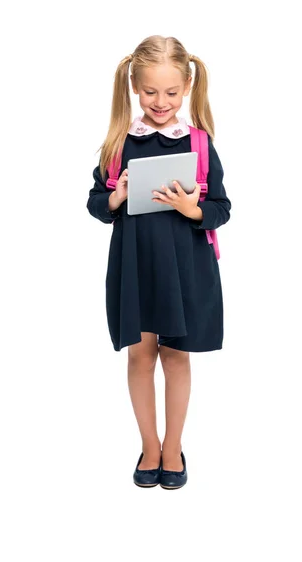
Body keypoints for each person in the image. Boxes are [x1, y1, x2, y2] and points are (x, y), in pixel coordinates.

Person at [86, 35, 232, 489]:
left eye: (171, 92)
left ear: (187, 85)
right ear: (134, 85)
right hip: (135, 268)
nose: (161, 102)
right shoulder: (119, 142)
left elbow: (222, 206)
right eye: (150, 92)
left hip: (186, 268)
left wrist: (193, 210)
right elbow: (94, 203)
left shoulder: (199, 143)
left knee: (176, 357)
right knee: (140, 355)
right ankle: (149, 446)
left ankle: (173, 447)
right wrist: (116, 197)